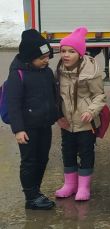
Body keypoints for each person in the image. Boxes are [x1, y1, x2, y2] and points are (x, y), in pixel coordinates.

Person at [7, 30, 60, 210]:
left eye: (47, 56)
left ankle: (36, 191)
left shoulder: (46, 72)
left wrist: (57, 116)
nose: (46, 61)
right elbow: (13, 104)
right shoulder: (18, 74)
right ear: (30, 57)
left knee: (43, 158)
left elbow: (53, 96)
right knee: (29, 160)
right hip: (27, 128)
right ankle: (31, 197)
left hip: (44, 124)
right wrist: (18, 129)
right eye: (42, 58)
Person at [54, 27, 106, 202]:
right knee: (67, 151)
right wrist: (57, 116)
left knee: (85, 152)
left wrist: (91, 111)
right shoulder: (59, 71)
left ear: (81, 54)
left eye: (71, 51)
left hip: (86, 122)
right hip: (67, 122)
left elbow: (99, 95)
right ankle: (70, 184)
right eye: (63, 51)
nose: (66, 55)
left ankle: (83, 186)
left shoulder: (90, 71)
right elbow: (56, 97)